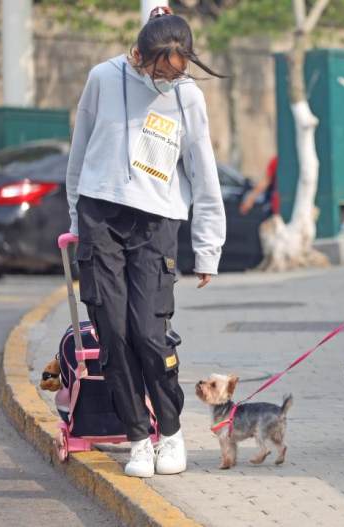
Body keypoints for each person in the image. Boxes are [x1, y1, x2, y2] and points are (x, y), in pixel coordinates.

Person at [65, 6, 226, 478]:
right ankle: (138, 438)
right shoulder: (103, 78)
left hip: (157, 224)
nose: (167, 81)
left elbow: (203, 171)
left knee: (150, 335)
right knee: (112, 334)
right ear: (138, 55)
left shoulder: (187, 97)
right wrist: (77, 219)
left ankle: (170, 432)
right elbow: (79, 154)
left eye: (176, 74)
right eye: (160, 72)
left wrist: (208, 246)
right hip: (101, 216)